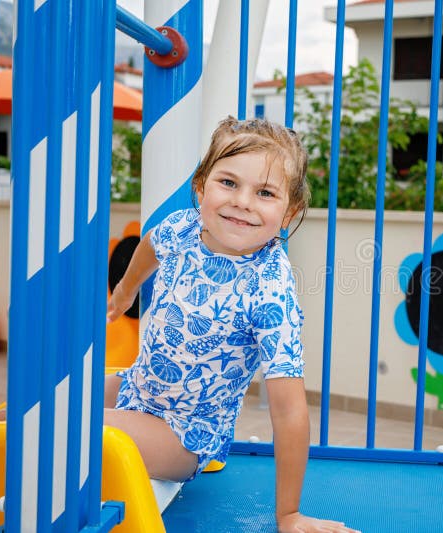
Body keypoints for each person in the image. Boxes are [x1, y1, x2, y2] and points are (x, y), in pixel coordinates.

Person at [105, 117, 359, 533]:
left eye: (264, 192)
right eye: (228, 183)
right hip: (138, 386)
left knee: (65, 426)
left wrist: (289, 515)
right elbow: (150, 245)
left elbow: (290, 410)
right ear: (201, 187)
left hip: (181, 435)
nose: (243, 201)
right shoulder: (184, 228)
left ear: (289, 211)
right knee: (38, 405)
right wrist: (126, 290)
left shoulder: (270, 293)